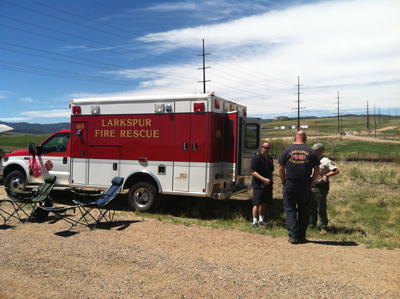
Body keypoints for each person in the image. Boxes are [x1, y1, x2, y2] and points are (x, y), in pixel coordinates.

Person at [278, 131, 320, 244]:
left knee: (290, 209)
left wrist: (283, 182)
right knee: (304, 209)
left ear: (294, 138)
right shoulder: (311, 151)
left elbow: (281, 169)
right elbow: (317, 170)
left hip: (290, 183)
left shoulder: (287, 150)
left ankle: (293, 236)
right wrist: (311, 183)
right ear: (305, 138)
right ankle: (301, 236)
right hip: (305, 183)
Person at [309, 143, 339, 235]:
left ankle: (323, 227)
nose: (313, 152)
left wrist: (326, 175)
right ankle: (311, 225)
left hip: (320, 188)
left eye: (315, 150)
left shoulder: (325, 161)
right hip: (310, 187)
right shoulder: (311, 160)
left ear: (321, 150)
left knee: (320, 208)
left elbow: (336, 170)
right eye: (313, 150)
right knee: (310, 208)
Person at [251, 142, 274, 229]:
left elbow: (271, 171)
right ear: (262, 148)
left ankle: (261, 219)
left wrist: (271, 181)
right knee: (257, 203)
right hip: (258, 184)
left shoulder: (270, 158)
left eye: (269, 147)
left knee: (264, 202)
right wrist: (263, 179)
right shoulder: (256, 158)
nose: (267, 149)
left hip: (267, 184)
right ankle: (254, 222)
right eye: (266, 147)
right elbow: (253, 171)